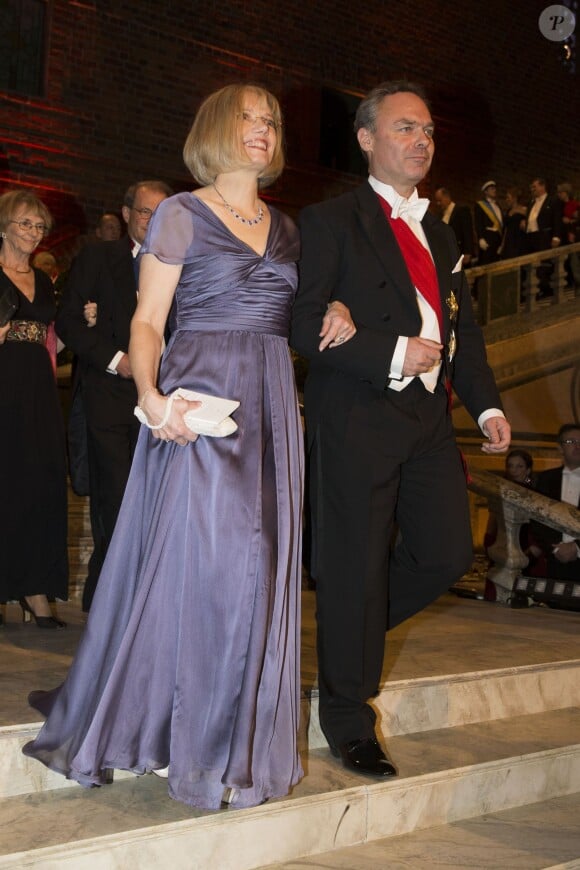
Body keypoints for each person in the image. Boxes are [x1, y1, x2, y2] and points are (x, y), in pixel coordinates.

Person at [23, 83, 350, 810]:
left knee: (259, 568)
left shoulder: (289, 228)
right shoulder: (180, 213)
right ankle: (181, 731)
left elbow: (287, 317)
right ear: (214, 130)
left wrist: (333, 308)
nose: (262, 130)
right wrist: (149, 396)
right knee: (203, 565)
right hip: (198, 401)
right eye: (248, 119)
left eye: (270, 121)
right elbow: (146, 321)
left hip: (268, 403)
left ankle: (229, 735)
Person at [291, 80, 511, 779]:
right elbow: (300, 324)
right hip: (357, 412)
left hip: (426, 417)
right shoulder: (329, 221)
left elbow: (461, 328)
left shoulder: (439, 229)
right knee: (354, 567)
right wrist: (388, 349)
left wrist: (487, 405)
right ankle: (349, 721)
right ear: (366, 138)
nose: (421, 142)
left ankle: (347, 636)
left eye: (428, 132)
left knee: (448, 553)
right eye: (405, 128)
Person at [56, 180, 172, 611]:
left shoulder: (181, 264)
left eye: (161, 214)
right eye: (145, 212)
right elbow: (69, 322)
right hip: (109, 399)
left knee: (157, 504)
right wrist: (118, 360)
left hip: (164, 402)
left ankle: (143, 602)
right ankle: (109, 601)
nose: (152, 222)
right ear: (126, 215)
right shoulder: (98, 258)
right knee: (118, 501)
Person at [0, 190, 68, 628]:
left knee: (40, 482)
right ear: (4, 225)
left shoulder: (43, 281)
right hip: (3, 379)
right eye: (25, 223)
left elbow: (50, 339)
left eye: (39, 226)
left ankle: (33, 587)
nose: (33, 233)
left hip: (39, 385)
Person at [529, 424, 580, 581]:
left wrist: (577, 547)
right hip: (555, 561)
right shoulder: (545, 479)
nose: (577, 446)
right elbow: (536, 519)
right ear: (560, 448)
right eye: (571, 442)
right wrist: (555, 548)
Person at [434, 186, 475, 265]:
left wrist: (468, 252)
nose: (438, 203)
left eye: (440, 200)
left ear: (447, 197)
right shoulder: (440, 215)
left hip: (459, 251)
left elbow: (468, 232)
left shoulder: (462, 210)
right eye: (437, 201)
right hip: (446, 254)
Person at [474, 180, 503, 264]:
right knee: (486, 263)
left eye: (494, 188)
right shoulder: (480, 205)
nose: (494, 190)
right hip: (487, 239)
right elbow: (478, 223)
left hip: (498, 240)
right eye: (491, 189)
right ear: (486, 192)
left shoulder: (498, 206)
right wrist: (480, 238)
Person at [500, 187, 527, 260]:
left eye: (508, 198)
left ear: (514, 198)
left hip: (519, 240)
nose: (506, 200)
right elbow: (505, 229)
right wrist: (502, 245)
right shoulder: (508, 211)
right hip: (509, 241)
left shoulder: (524, 209)